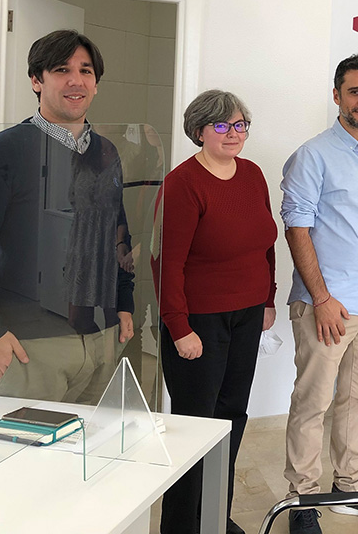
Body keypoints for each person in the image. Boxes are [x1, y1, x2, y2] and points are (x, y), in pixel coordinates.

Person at [0, 29, 134, 404]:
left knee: (95, 442)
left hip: (101, 337)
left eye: (86, 71)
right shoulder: (0, 153)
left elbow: (116, 234)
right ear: (36, 80)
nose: (76, 80)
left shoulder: (106, 151)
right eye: (62, 70)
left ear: (96, 84)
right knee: (27, 444)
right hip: (32, 345)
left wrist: (124, 301)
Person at [280, 53, 358, 534]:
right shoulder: (312, 155)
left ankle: (350, 487)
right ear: (337, 95)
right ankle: (301, 499)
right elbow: (296, 228)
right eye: (355, 91)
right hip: (328, 306)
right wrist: (321, 298)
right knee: (312, 403)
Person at [153, 90, 277, 534]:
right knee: (194, 425)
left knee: (231, 417)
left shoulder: (253, 175)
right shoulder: (182, 184)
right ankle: (182, 526)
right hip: (198, 321)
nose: (233, 133)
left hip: (247, 314)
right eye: (221, 125)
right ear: (199, 130)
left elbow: (266, 242)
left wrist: (267, 299)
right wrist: (178, 327)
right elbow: (166, 263)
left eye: (240, 124)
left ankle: (214, 518)